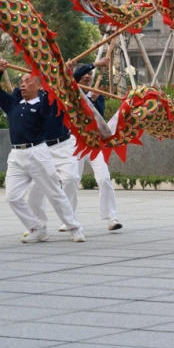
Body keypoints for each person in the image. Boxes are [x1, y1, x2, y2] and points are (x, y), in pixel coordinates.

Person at [0, 59, 84, 243]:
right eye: (21, 82)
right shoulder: (13, 104)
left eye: (27, 81)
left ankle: (74, 227)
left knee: (55, 193)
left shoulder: (44, 104)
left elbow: (58, 94)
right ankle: (37, 228)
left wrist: (64, 75)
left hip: (38, 153)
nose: (23, 84)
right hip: (16, 155)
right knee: (12, 197)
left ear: (39, 85)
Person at [71, 59, 122, 231]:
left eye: (90, 75)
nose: (88, 77)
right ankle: (68, 218)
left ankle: (112, 217)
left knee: (104, 177)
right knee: (71, 180)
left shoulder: (97, 95)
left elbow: (99, 119)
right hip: (75, 142)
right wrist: (95, 64)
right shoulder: (71, 93)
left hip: (94, 144)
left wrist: (94, 101)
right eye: (85, 74)